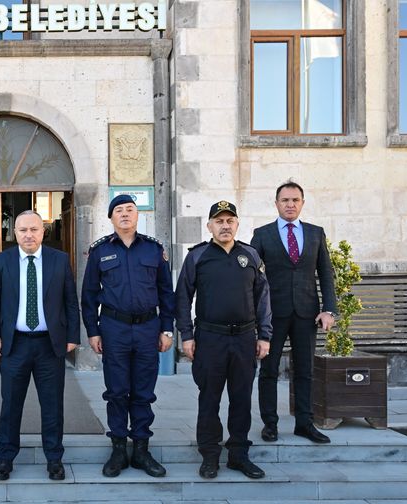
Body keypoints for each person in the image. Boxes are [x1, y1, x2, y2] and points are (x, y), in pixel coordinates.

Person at [175, 201, 272, 480]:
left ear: (237, 224)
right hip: (210, 338)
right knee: (209, 399)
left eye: (230, 220)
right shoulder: (198, 256)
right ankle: (209, 455)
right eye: (219, 221)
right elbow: (183, 298)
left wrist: (264, 335)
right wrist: (187, 336)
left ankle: (239, 454)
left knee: (241, 399)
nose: (225, 226)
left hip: (244, 338)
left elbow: (263, 299)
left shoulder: (251, 255)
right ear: (210, 226)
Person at [81, 194, 174, 478]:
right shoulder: (99, 252)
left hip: (148, 328)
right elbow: (88, 296)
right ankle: (119, 449)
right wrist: (93, 331)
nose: (124, 214)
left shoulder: (154, 250)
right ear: (111, 218)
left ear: (137, 215)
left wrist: (167, 328)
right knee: (117, 391)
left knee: (144, 391)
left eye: (129, 210)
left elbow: (166, 293)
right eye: (118, 210)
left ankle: (142, 450)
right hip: (114, 328)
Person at [0, 210, 79, 482]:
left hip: (49, 346)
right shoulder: (1, 261)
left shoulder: (59, 260)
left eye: (34, 229)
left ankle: (54, 459)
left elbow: (70, 301)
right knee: (10, 404)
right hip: (15, 345)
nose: (28, 235)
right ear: (14, 232)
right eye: (23, 230)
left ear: (43, 232)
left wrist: (73, 335)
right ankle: (5, 458)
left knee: (52, 405)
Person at [254, 181, 337, 444]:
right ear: (276, 203)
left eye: (295, 200)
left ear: (302, 203)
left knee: (305, 370)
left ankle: (305, 423)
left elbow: (325, 272)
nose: (290, 205)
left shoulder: (315, 233)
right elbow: (251, 278)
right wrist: (254, 314)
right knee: (268, 370)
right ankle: (270, 424)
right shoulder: (263, 234)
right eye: (285, 200)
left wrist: (329, 310)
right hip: (272, 315)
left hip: (306, 313)